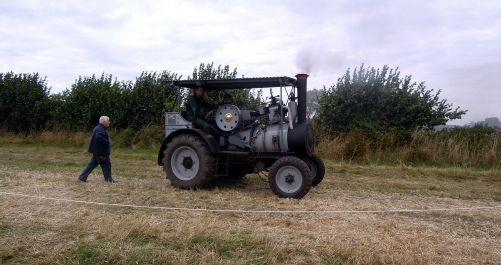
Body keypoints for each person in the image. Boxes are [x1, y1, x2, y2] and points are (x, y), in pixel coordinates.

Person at [78, 116, 116, 183]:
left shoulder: (98, 127)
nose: (109, 123)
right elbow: (98, 137)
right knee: (107, 165)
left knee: (92, 164)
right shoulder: (100, 129)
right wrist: (107, 142)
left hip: (97, 151)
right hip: (101, 151)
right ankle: (109, 179)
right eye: (108, 121)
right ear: (104, 122)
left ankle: (82, 177)